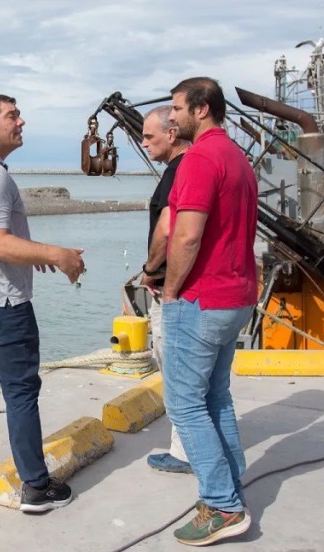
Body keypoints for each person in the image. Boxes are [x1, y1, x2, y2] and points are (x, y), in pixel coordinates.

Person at [0, 94, 86, 513]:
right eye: (12, 116)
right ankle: (37, 488)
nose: (21, 122)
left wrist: (30, 255)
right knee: (21, 391)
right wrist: (56, 255)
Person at [160, 77, 258, 546]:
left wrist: (171, 291)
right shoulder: (237, 157)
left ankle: (221, 504)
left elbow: (185, 235)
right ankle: (232, 483)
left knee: (184, 404)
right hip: (238, 297)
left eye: (176, 108)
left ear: (201, 110)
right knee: (216, 397)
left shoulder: (199, 158)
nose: (171, 116)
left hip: (202, 299)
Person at [137, 106, 193, 475]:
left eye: (149, 136)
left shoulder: (179, 172)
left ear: (171, 135)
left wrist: (151, 271)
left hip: (170, 290)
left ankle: (184, 451)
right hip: (190, 287)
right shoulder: (189, 168)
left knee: (176, 372)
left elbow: (170, 228)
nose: (143, 143)